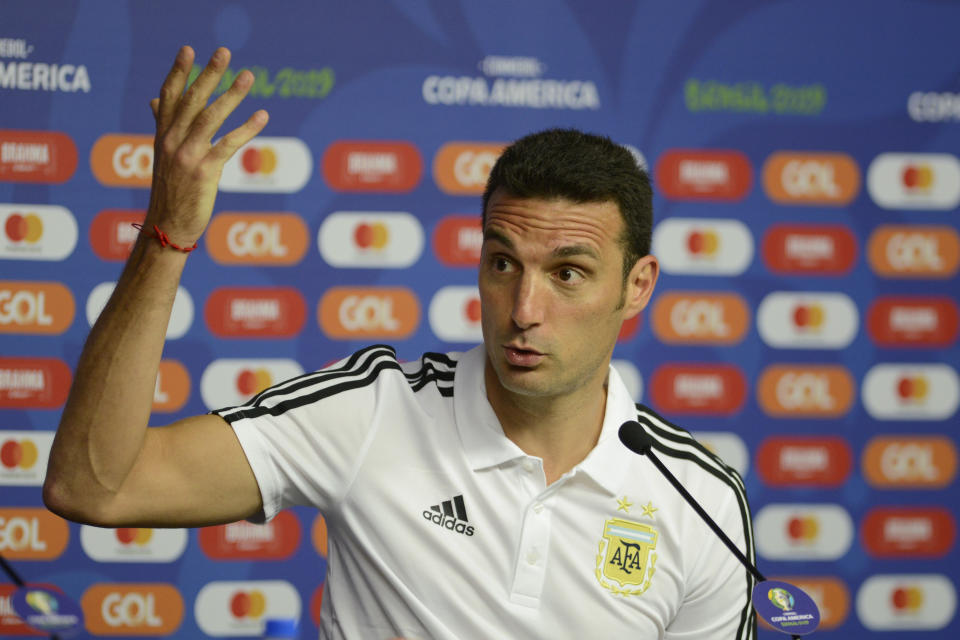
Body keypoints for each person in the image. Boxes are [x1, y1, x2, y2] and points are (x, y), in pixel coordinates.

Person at [44, 46, 756, 639]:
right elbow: (94, 487)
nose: (524, 309)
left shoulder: (702, 501)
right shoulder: (374, 407)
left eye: (569, 274)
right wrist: (168, 237)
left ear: (638, 286)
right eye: (502, 263)